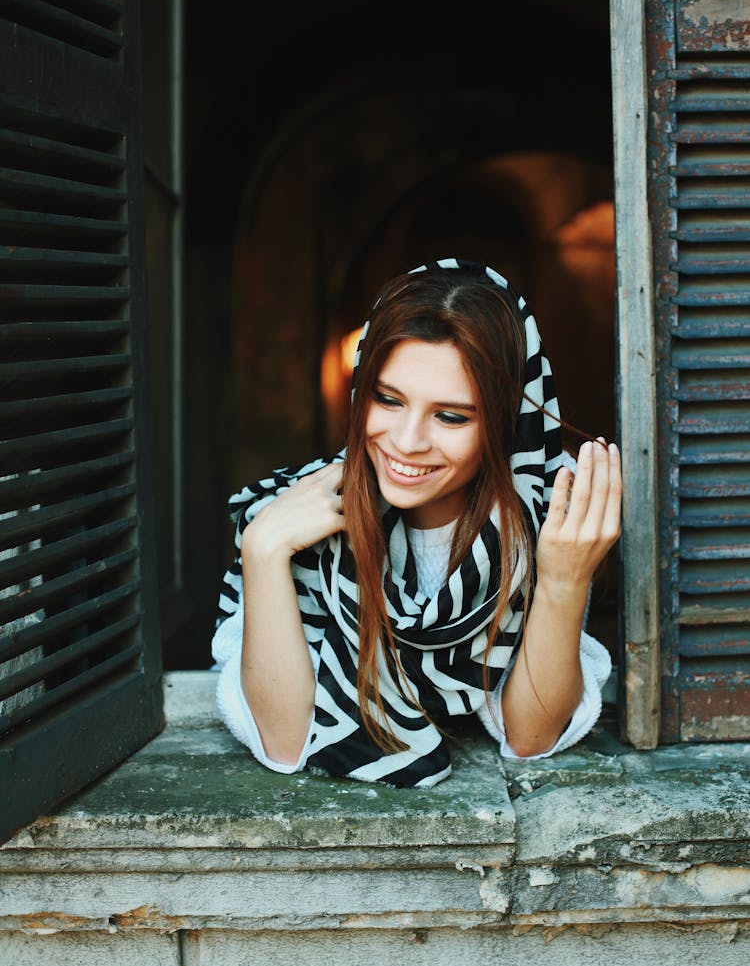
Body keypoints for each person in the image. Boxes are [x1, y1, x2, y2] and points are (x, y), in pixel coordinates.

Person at [212, 258, 622, 787]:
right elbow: (286, 742)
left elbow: (531, 735)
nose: (406, 442)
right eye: (388, 399)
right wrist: (264, 547)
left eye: (451, 416)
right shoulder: (297, 511)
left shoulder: (548, 510)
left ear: (504, 424)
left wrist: (565, 577)